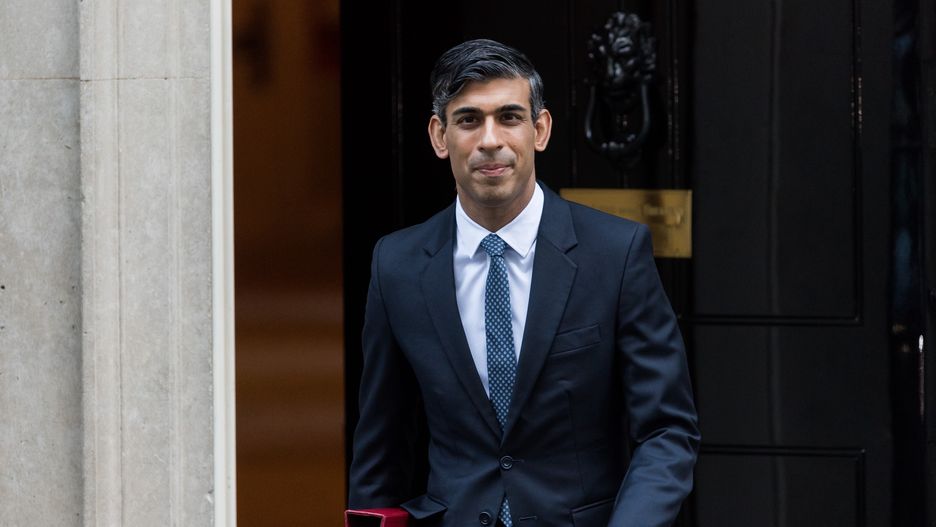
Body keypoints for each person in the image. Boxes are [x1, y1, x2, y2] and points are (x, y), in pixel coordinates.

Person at [348, 38, 700, 527]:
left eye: (509, 117)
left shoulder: (615, 254)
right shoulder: (397, 264)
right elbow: (382, 442)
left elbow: (667, 430)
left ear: (540, 129)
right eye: (469, 119)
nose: (490, 139)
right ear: (439, 136)